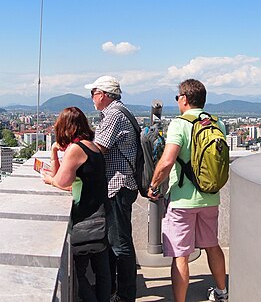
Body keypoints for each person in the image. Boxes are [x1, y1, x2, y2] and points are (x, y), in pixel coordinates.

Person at [149, 79, 229, 302]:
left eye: (178, 98)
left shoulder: (180, 124)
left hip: (183, 199)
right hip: (211, 197)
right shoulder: (217, 123)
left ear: (184, 98)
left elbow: (167, 161)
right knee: (212, 245)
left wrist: (154, 185)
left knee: (181, 254)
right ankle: (222, 293)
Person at [41, 107, 112, 302]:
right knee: (102, 271)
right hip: (102, 214)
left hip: (86, 218)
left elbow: (61, 181)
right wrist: (55, 151)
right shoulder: (93, 146)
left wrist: (49, 180)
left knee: (79, 273)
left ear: (65, 128)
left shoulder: (76, 149)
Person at [84, 75, 139, 302]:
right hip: (121, 185)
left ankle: (125, 296)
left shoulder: (114, 115)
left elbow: (97, 150)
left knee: (120, 243)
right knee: (117, 241)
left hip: (118, 185)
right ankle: (118, 290)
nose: (92, 98)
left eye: (93, 93)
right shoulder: (119, 111)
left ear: (104, 95)